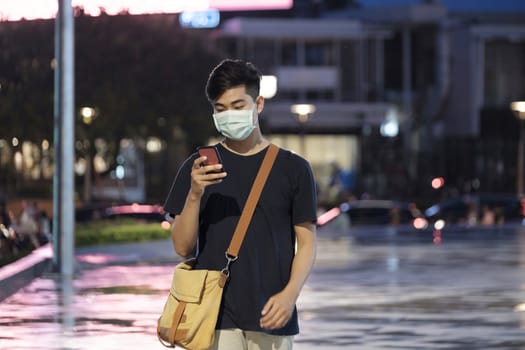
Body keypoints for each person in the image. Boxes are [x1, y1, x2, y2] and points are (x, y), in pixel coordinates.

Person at [163, 58, 317, 350]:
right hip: (212, 316)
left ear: (258, 104)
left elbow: (307, 243)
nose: (228, 115)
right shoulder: (197, 167)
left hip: (273, 314)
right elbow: (182, 248)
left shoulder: (293, 169)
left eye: (237, 106)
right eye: (220, 109)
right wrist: (194, 193)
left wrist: (290, 295)